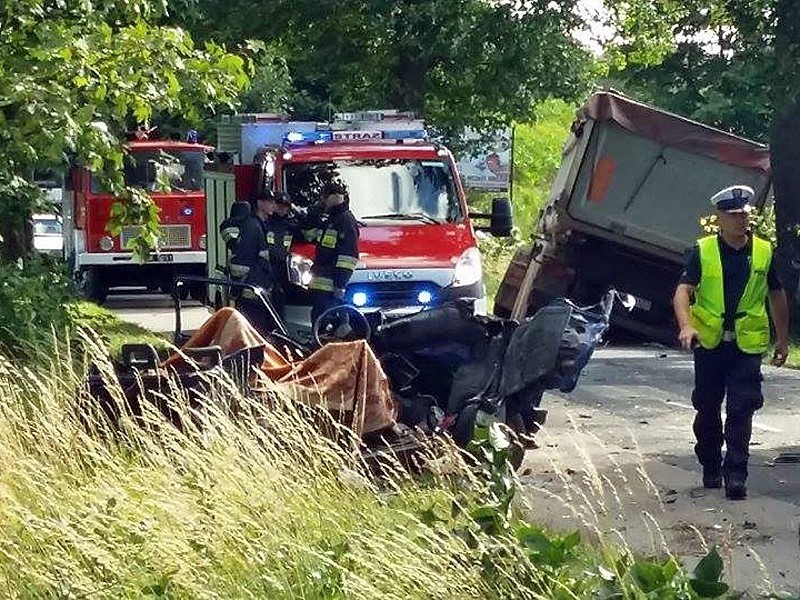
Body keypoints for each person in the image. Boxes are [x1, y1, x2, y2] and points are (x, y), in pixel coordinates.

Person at [673, 184, 789, 500]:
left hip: (747, 345)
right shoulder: (703, 250)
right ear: (720, 217)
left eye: (744, 213)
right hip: (710, 343)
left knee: (742, 408)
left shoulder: (764, 252)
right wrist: (686, 326)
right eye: (733, 214)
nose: (740, 219)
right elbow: (683, 290)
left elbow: (776, 295)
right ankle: (711, 464)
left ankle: (736, 474)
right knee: (707, 407)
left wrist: (782, 339)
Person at [301, 181, 360, 324]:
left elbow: (348, 258)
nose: (323, 200)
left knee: (331, 329)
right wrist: (315, 211)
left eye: (325, 197)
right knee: (319, 324)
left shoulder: (345, 220)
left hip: (332, 288)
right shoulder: (329, 219)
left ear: (334, 197)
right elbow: (308, 235)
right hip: (321, 287)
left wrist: (340, 285)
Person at [218, 200, 274, 333]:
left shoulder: (239, 228)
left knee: (248, 329)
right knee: (256, 329)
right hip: (257, 286)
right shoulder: (253, 226)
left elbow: (239, 265)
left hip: (249, 288)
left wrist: (235, 291)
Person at [259, 190, 295, 318]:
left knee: (280, 301)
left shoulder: (292, 226)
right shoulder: (264, 223)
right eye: (279, 205)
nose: (282, 208)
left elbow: (308, 236)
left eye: (285, 206)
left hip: (284, 272)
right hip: (267, 269)